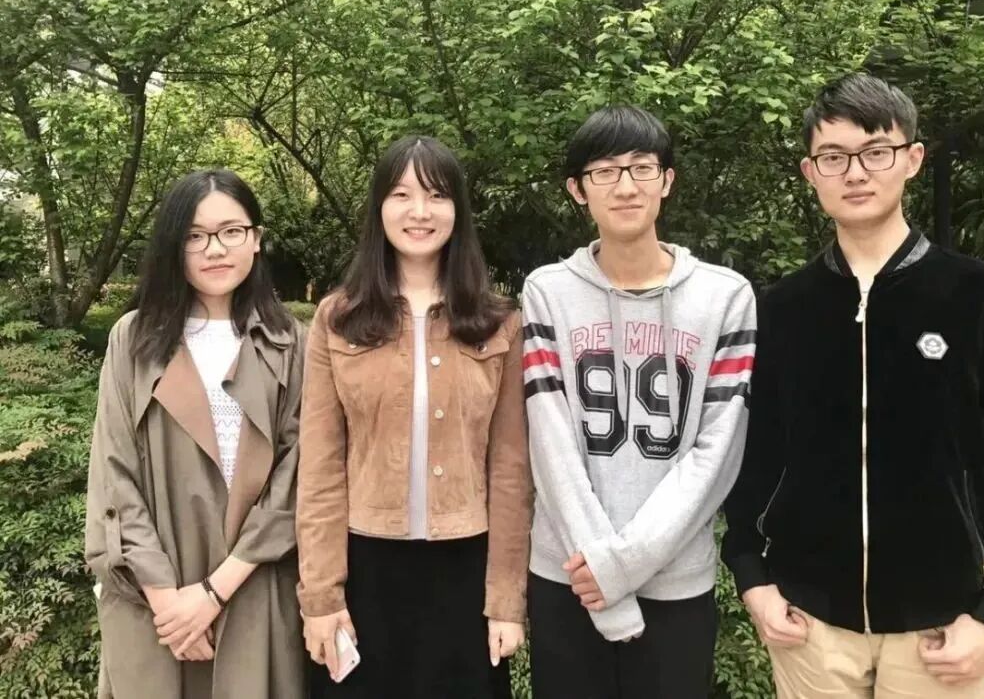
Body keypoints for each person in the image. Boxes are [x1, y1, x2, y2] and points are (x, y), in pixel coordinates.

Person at [721, 72, 984, 698]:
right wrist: (752, 577)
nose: (855, 173)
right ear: (810, 172)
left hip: (943, 627)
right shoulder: (783, 308)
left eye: (875, 151)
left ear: (912, 158)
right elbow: (757, 456)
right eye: (834, 157)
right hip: (807, 625)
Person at [522, 106, 756, 698]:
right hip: (568, 578)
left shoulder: (725, 297)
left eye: (641, 168)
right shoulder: (547, 291)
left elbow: (717, 452)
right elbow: (550, 443)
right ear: (578, 190)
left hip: (677, 583)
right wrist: (601, 573)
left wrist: (624, 565)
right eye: (604, 171)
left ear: (667, 180)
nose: (625, 186)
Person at [297, 135, 532, 698]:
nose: (419, 212)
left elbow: (510, 469)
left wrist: (506, 601)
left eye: (436, 195)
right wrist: (321, 598)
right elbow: (321, 467)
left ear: (458, 211)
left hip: (465, 568)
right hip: (365, 569)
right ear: (379, 208)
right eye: (402, 195)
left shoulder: (498, 322)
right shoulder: (338, 318)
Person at [85, 169, 306, 698]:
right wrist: (168, 601)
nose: (215, 249)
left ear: (256, 238)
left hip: (253, 584)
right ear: (173, 244)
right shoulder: (134, 339)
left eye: (231, 231)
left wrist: (214, 592)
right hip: (156, 598)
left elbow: (299, 477)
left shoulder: (291, 343)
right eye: (195, 235)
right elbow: (114, 473)